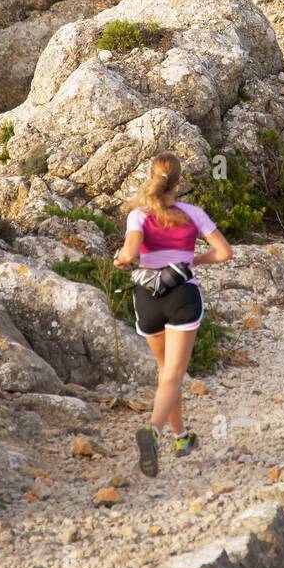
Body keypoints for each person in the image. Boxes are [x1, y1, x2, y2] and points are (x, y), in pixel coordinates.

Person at [114, 152, 232, 477]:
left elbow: (131, 251)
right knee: (173, 375)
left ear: (151, 176)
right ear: (179, 182)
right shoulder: (194, 214)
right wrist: (195, 261)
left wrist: (122, 259)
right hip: (181, 294)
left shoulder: (138, 215)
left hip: (147, 298)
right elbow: (224, 252)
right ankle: (153, 431)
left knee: (166, 373)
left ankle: (181, 438)